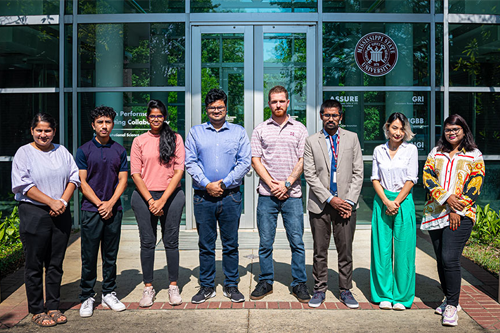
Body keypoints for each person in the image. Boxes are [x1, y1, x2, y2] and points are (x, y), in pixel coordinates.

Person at [11, 113, 80, 327]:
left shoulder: (62, 151)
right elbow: (23, 185)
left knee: (55, 264)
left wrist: (62, 202)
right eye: (39, 130)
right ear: (32, 131)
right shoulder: (24, 153)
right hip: (34, 212)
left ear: (54, 132)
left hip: (61, 212)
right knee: (34, 264)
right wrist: (51, 202)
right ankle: (36, 310)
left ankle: (53, 306)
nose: (43, 134)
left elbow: (74, 177)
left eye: (47, 130)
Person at [185, 88, 251, 303]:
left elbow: (245, 161)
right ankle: (206, 286)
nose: (216, 111)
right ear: (206, 109)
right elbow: (190, 161)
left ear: (226, 108)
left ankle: (231, 285)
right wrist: (207, 184)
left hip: (230, 196)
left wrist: (223, 183)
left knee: (231, 244)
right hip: (203, 197)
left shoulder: (238, 132)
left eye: (220, 107)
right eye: (212, 108)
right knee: (206, 244)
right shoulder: (195, 132)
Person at [422, 114, 484, 327]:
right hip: (435, 212)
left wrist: (457, 208)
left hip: (462, 214)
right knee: (440, 258)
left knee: (450, 258)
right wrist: (447, 197)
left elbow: (475, 185)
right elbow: (427, 177)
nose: (451, 133)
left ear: (464, 130)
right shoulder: (436, 152)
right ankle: (450, 298)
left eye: (456, 129)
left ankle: (451, 306)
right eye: (448, 130)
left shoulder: (474, 155)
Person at [250, 85, 311, 303]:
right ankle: (266, 280)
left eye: (281, 101)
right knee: (266, 242)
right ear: (269, 104)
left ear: (287, 103)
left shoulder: (300, 129)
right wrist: (272, 185)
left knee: (297, 241)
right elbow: (255, 159)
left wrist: (286, 184)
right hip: (267, 195)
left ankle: (299, 283)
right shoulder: (260, 129)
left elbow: (303, 160)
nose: (278, 105)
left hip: (292, 195)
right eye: (274, 101)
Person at [303, 99, 363, 308]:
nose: (331, 119)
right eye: (327, 115)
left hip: (346, 205)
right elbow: (309, 175)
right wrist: (330, 198)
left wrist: (348, 201)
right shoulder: (312, 141)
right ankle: (319, 289)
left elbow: (358, 172)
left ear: (340, 117)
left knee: (345, 250)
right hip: (320, 204)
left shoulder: (352, 138)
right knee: (320, 250)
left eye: (335, 115)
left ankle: (345, 290)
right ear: (321, 116)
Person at [130, 99, 186, 307]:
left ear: (165, 117)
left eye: (159, 116)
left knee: (171, 242)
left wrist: (162, 200)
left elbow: (179, 171)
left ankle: (173, 286)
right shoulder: (139, 141)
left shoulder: (176, 139)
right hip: (144, 197)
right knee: (147, 242)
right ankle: (148, 287)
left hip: (171, 196)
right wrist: (151, 201)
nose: (156, 119)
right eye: (152, 116)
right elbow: (135, 173)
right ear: (147, 118)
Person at [75, 106, 128, 317]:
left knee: (110, 255)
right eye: (100, 122)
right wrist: (100, 204)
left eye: (108, 122)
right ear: (93, 125)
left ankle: (108, 293)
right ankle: (87, 296)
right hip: (91, 210)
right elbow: (82, 182)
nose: (104, 126)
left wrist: (111, 203)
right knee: (88, 256)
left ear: (112, 125)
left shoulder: (119, 150)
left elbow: (123, 180)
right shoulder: (84, 150)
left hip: (114, 210)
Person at [370, 112, 418, 311]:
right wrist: (386, 201)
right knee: (381, 249)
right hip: (382, 201)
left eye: (402, 128)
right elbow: (374, 178)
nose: (398, 132)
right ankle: (383, 294)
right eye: (395, 128)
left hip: (403, 201)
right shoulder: (378, 150)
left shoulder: (411, 150)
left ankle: (402, 296)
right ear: (387, 128)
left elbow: (411, 179)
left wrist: (395, 202)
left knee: (404, 250)